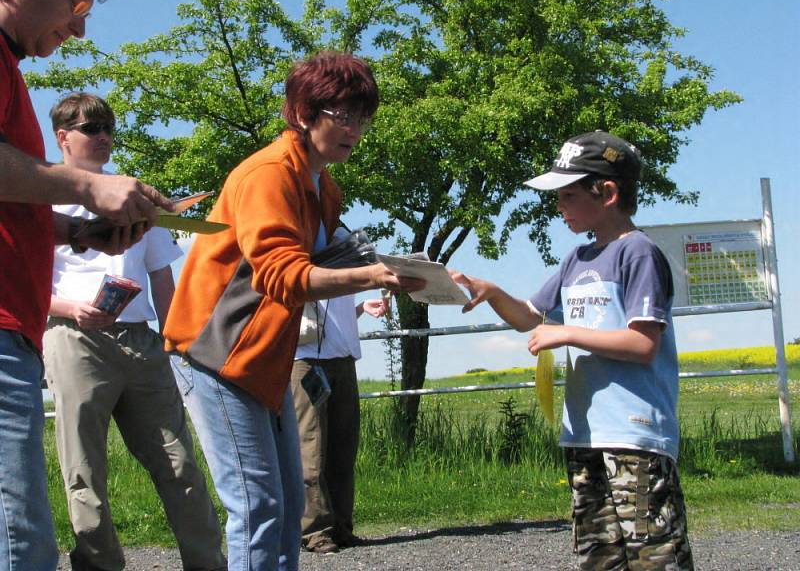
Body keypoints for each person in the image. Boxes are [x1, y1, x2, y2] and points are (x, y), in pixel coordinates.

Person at [162, 51, 424, 570]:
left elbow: (317, 265)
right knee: (258, 506)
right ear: (304, 113)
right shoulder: (269, 174)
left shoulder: (322, 185)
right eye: (343, 116)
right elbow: (281, 276)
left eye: (363, 117)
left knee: (286, 508)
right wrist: (373, 274)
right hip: (215, 353)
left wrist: (400, 268)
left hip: (264, 356)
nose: (355, 129)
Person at [453, 131, 694, 570]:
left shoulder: (637, 253)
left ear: (607, 192)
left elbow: (642, 343)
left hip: (634, 434)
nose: (558, 205)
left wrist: (565, 333)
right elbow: (530, 315)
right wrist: (491, 291)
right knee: (598, 555)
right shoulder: (576, 259)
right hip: (586, 431)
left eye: (567, 194)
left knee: (653, 553)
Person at [0, 0, 174, 568]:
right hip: (12, 333)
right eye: (76, 5)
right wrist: (84, 187)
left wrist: (79, 231)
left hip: (19, 333)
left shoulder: (9, 70)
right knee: (21, 540)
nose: (80, 26)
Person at [42, 92, 226, 571]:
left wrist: (182, 343)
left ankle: (208, 565)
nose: (103, 136)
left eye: (108, 128)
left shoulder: (137, 197)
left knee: (180, 464)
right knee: (84, 471)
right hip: (72, 338)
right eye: (91, 128)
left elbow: (162, 277)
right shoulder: (41, 198)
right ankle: (100, 565)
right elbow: (23, 283)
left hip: (141, 341)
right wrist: (71, 308)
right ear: (63, 137)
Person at [291, 230, 391, 553]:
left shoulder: (345, 235)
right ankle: (315, 531)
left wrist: (360, 308)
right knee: (312, 446)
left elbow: (336, 304)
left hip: (343, 355)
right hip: (305, 357)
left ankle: (341, 527)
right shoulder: (296, 230)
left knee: (343, 446)